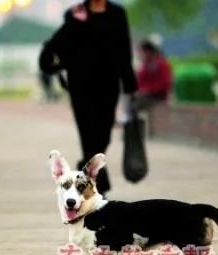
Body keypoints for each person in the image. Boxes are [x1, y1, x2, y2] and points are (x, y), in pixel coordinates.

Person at [40, 0, 138, 197]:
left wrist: (129, 82)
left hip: (108, 84)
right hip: (81, 86)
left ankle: (85, 171)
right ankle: (98, 187)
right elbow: (61, 45)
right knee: (88, 135)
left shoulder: (117, 13)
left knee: (104, 135)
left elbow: (124, 48)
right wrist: (74, 23)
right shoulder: (74, 14)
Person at [128, 40, 172, 116]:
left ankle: (137, 126)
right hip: (146, 94)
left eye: (142, 52)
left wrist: (148, 90)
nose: (140, 54)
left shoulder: (161, 65)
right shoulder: (146, 65)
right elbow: (140, 80)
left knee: (135, 107)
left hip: (157, 96)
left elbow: (164, 83)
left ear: (148, 52)